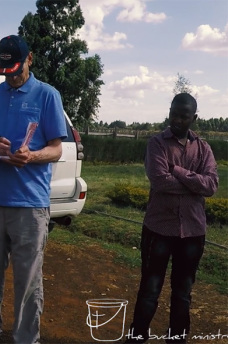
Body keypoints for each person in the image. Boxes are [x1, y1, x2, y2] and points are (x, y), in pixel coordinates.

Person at [0, 35, 68, 344]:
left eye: (16, 68)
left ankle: (26, 338)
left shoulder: (47, 96)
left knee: (28, 280)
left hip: (30, 205)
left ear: (30, 59)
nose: (11, 75)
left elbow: (56, 148)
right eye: (5, 70)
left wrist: (32, 156)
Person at [125, 93, 218, 343]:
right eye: (173, 113)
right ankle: (137, 336)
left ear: (194, 118)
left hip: (192, 232)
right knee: (149, 289)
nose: (177, 119)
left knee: (183, 292)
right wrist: (193, 182)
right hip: (159, 229)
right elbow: (159, 180)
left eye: (183, 115)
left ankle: (176, 338)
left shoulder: (203, 148)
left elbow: (211, 186)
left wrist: (176, 171)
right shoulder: (156, 143)